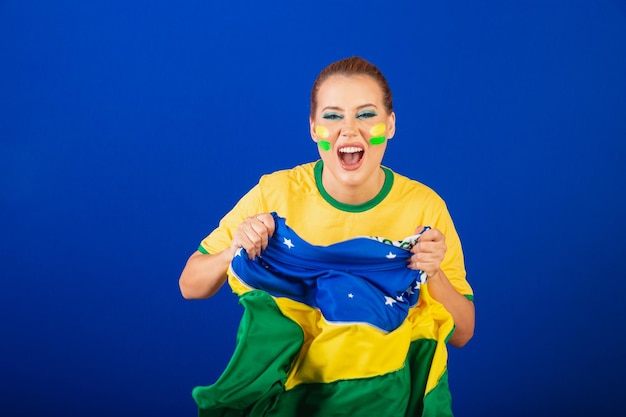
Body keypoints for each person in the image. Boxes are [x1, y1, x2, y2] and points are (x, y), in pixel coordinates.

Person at [179, 56, 475, 416]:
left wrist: (435, 273)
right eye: (333, 116)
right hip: (295, 400)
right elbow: (190, 284)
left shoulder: (425, 207)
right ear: (313, 128)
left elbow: (462, 332)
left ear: (391, 123)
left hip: (385, 401)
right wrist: (235, 250)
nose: (349, 131)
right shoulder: (275, 194)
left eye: (366, 115)